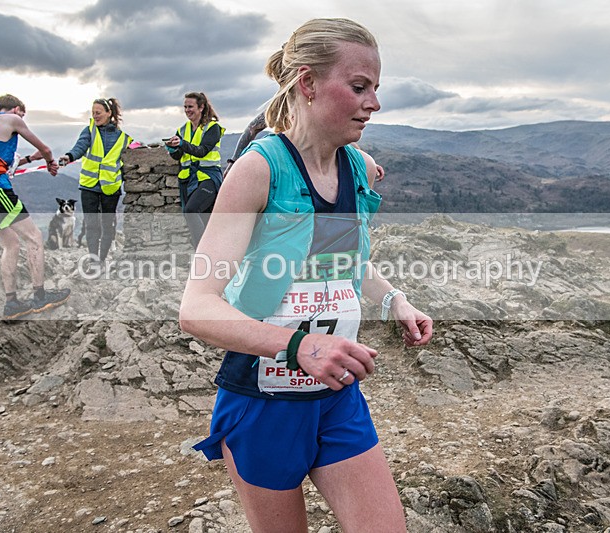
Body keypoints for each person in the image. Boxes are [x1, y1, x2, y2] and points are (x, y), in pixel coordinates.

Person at [179, 18, 432, 532]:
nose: (374, 103)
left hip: (337, 398)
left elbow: (343, 266)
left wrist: (395, 302)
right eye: (359, 87)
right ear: (307, 83)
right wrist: (298, 346)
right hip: (262, 402)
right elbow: (197, 308)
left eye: (375, 89)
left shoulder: (354, 169)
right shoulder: (259, 170)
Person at [0, 94, 71, 320]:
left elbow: (0, 163)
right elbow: (46, 148)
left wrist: (30, 160)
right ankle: (40, 297)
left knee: (10, 244)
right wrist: (49, 162)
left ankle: (11, 303)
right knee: (34, 237)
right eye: (23, 114)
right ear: (16, 109)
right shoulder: (13, 119)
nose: (23, 119)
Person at [59, 98, 132, 268]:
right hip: (89, 185)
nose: (95, 116)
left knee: (108, 226)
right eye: (93, 113)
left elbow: (134, 152)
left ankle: (102, 258)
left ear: (109, 113)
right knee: (91, 225)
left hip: (111, 188)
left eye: (98, 113)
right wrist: (69, 157)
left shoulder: (123, 138)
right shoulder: (89, 131)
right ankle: (93, 261)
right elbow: (80, 147)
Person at [225, 111, 385, 182]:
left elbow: (336, 137)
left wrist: (361, 159)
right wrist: (234, 163)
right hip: (285, 166)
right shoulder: (282, 104)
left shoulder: (318, 104)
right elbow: (252, 128)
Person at [164, 92, 225, 248]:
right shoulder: (182, 129)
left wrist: (182, 144)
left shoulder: (213, 128)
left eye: (190, 106)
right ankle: (210, 255)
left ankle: (201, 252)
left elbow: (202, 151)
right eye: (185, 107)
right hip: (188, 179)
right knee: (203, 217)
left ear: (201, 107)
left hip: (208, 177)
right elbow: (179, 156)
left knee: (191, 211)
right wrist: (172, 149)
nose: (187, 110)